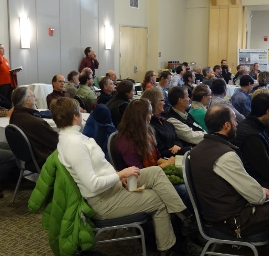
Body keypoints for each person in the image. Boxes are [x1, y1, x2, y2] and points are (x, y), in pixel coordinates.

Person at [50, 97, 189, 256]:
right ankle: (168, 247)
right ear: (75, 116)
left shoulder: (73, 140)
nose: (83, 113)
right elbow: (93, 185)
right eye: (80, 111)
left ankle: (185, 217)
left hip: (110, 189)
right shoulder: (74, 144)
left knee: (155, 173)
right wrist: (120, 174)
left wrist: (117, 176)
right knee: (158, 199)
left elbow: (98, 170)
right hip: (103, 200)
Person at [190, 104, 269, 256]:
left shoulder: (198, 149)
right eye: (234, 120)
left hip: (219, 215)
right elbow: (257, 197)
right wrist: (262, 192)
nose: (237, 124)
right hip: (234, 222)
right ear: (226, 125)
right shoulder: (225, 156)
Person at [10, 87, 58, 169]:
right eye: (33, 96)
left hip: (29, 159)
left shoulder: (14, 116)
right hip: (43, 159)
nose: (36, 99)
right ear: (27, 101)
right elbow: (57, 142)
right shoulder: (36, 122)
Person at [141, 88, 191, 159]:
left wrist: (177, 146)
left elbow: (177, 139)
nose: (164, 103)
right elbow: (160, 153)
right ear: (154, 102)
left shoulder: (164, 121)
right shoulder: (149, 126)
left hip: (176, 156)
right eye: (162, 100)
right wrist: (186, 149)